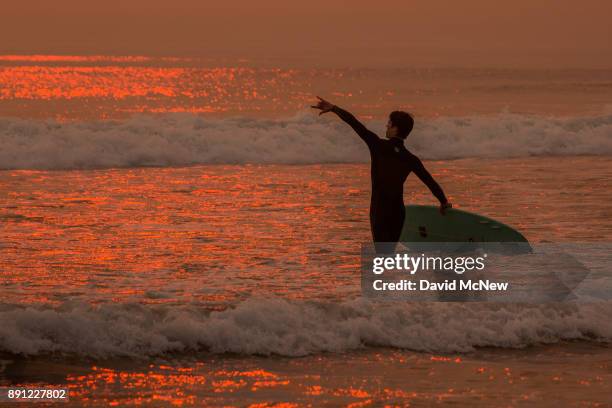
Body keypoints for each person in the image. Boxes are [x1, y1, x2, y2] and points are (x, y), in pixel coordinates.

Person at [311, 96, 451, 252]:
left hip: (380, 211)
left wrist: (334, 109)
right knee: (389, 255)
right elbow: (429, 181)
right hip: (398, 212)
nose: (387, 126)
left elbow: (355, 124)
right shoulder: (410, 158)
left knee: (382, 257)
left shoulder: (378, 145)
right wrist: (444, 202)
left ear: (395, 128)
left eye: (389, 124)